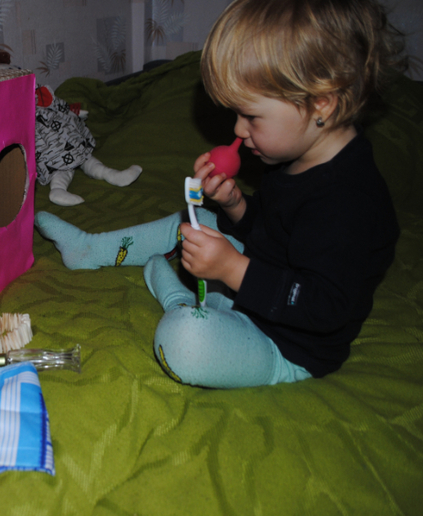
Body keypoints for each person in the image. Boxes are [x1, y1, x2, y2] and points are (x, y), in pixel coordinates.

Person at [34, 0, 406, 388]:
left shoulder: (350, 203)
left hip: (286, 344)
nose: (239, 131)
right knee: (195, 220)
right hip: (253, 285)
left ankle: (179, 302)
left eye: (251, 116)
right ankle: (90, 249)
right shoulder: (296, 155)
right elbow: (272, 231)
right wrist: (235, 204)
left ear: (321, 104)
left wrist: (232, 269)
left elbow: (323, 307)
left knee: (184, 344)